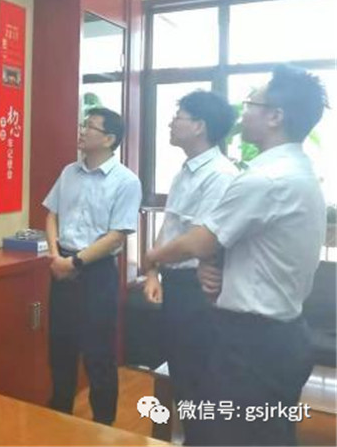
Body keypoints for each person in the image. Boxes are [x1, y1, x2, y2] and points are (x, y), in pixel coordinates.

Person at [145, 65, 328, 446]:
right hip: (277, 334)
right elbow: (248, 245)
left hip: (253, 343)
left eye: (250, 104)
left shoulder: (265, 178)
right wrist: (212, 267)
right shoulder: (296, 170)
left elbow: (201, 241)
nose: (243, 114)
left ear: (275, 117)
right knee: (261, 435)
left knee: (232, 435)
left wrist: (153, 257)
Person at [143, 90, 237, 444]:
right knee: (182, 375)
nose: (171, 123)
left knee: (200, 381)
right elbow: (171, 226)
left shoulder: (220, 175)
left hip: (200, 291)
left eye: (178, 117)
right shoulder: (186, 171)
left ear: (200, 126)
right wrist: (153, 272)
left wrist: (153, 258)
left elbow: (199, 240)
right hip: (177, 284)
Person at [43, 107, 142, 425]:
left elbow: (116, 236)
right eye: (83, 124)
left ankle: (103, 426)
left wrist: (75, 262)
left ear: (109, 139)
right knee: (60, 348)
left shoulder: (126, 181)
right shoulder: (69, 172)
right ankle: (59, 419)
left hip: (96, 273)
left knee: (98, 354)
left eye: (90, 126)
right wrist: (55, 255)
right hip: (61, 266)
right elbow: (52, 214)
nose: (82, 131)